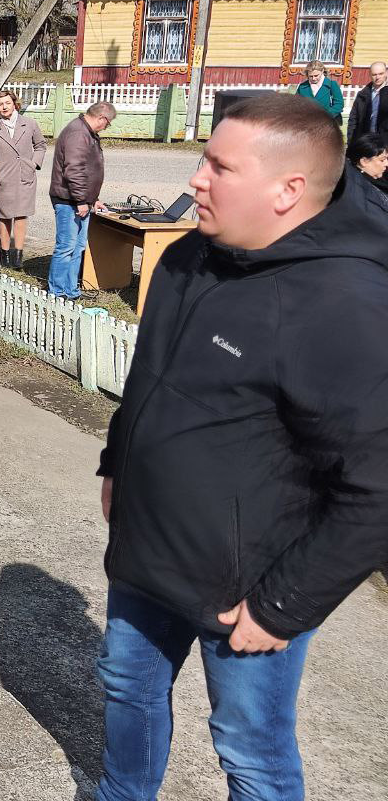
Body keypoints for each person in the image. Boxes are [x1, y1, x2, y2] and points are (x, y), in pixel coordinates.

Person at [95, 92, 388, 801]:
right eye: (203, 160)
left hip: (247, 589)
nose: (197, 179)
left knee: (250, 751)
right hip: (148, 552)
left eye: (220, 167)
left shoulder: (344, 305)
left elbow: (377, 488)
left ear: (289, 190)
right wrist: (116, 462)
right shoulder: (191, 254)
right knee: (126, 692)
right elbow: (150, 375)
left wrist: (285, 605)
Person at [47, 102, 113, 298]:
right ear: (102, 118)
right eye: (108, 124)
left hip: (79, 199)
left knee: (77, 247)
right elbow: (74, 171)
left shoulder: (86, 132)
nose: (106, 128)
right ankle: (57, 293)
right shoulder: (78, 133)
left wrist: (94, 199)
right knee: (66, 247)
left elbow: (88, 170)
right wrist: (82, 201)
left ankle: (70, 290)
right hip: (69, 200)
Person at [0, 89, 46, 270]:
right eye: (0, 104)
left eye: (7, 103)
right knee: (5, 216)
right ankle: (4, 253)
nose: (4, 107)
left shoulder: (30, 124)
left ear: (14, 104)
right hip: (3, 178)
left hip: (25, 175)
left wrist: (34, 164)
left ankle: (18, 255)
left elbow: (41, 145)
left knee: (21, 215)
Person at [346, 60, 388, 143]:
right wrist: (351, 140)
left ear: (386, 73)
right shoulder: (363, 94)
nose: (377, 77)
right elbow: (353, 119)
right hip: (367, 139)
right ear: (370, 75)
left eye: (381, 74)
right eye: (374, 74)